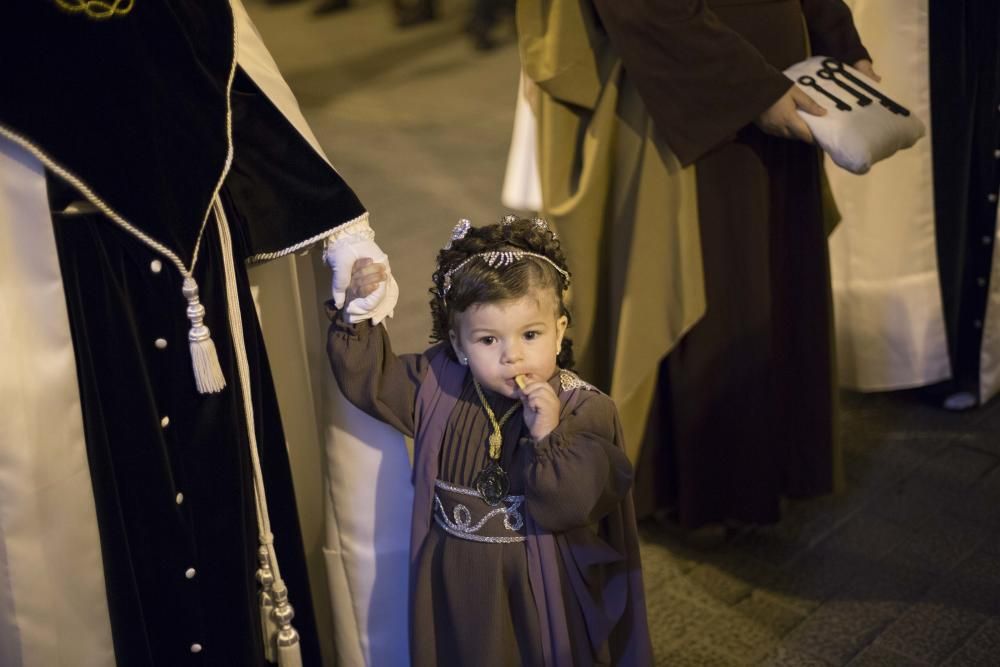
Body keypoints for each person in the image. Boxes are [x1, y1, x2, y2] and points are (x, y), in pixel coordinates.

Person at [0, 1, 397, 664]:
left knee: (223, 508)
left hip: (194, 281)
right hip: (54, 278)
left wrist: (341, 233)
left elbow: (228, 74)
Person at [516, 0, 874, 529]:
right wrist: (750, 88)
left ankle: (765, 474)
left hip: (776, 83)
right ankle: (702, 491)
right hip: (679, 89)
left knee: (767, 273)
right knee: (704, 279)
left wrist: (836, 38)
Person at [326, 216, 652, 666]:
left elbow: (572, 506)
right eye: (488, 339)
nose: (511, 354)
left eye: (531, 334)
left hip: (537, 589)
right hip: (455, 584)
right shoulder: (438, 384)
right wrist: (356, 315)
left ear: (559, 331)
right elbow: (373, 383)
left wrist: (549, 437)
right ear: (458, 344)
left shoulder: (582, 409)